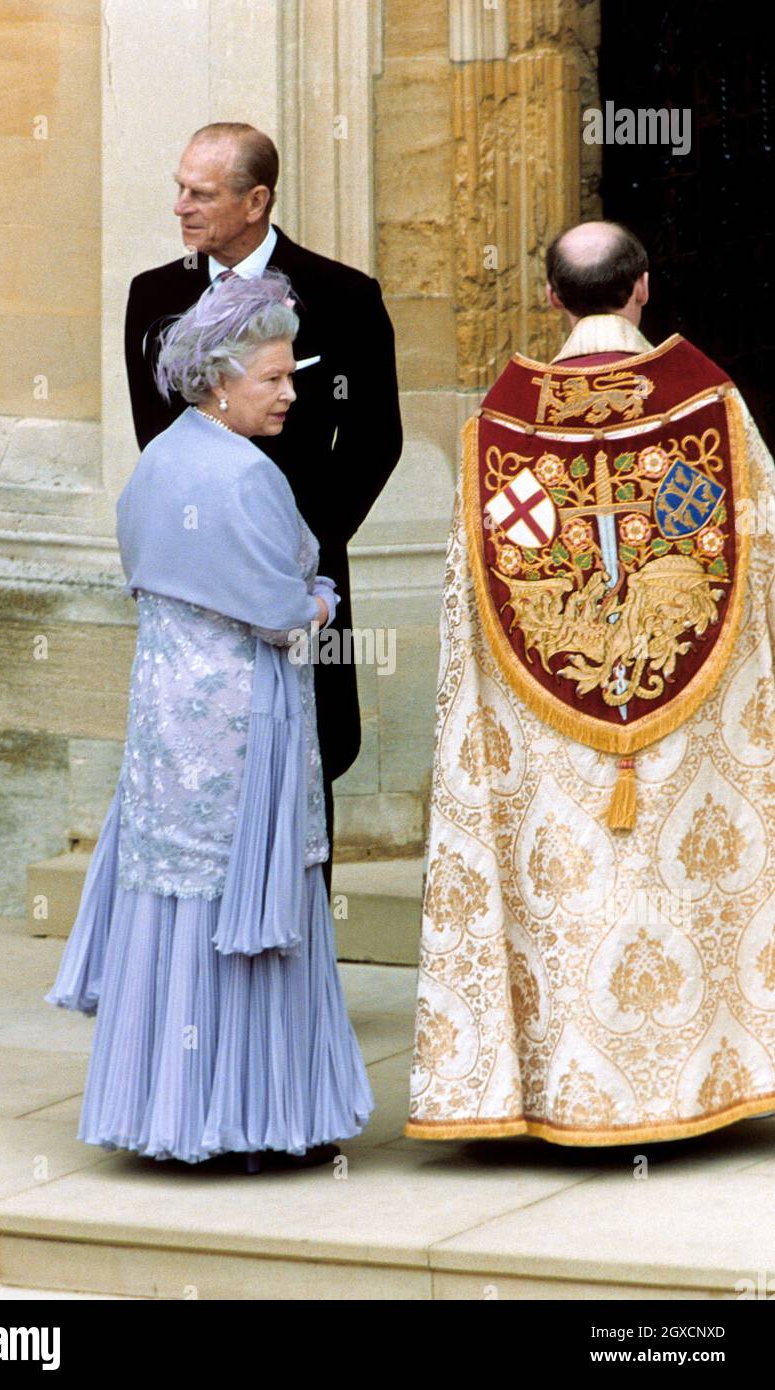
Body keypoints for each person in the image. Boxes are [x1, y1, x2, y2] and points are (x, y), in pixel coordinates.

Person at [405, 220, 775, 1147]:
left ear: (550, 298)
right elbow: (759, 548)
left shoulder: (498, 425)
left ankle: (563, 1094)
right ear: (642, 288)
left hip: (548, 739)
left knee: (571, 889)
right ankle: (705, 1084)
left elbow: (467, 601)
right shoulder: (712, 407)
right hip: (692, 728)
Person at [45, 270, 374, 1173]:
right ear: (221, 378)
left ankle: (172, 1114)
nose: (291, 393)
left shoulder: (159, 462)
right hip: (244, 726)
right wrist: (316, 601)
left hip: (164, 725)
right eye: (275, 378)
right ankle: (256, 1119)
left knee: (176, 906)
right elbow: (277, 610)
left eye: (291, 375)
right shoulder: (246, 477)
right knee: (247, 910)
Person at [124, 121, 404, 896]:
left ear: (256, 201)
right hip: (197, 588)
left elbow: (377, 438)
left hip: (299, 570)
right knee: (196, 759)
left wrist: (298, 545)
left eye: (201, 193)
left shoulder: (345, 295)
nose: (181, 205)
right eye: (180, 187)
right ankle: (208, 967)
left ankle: (295, 967)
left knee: (312, 749)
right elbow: (163, 444)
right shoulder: (154, 296)